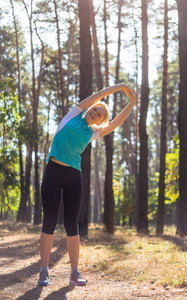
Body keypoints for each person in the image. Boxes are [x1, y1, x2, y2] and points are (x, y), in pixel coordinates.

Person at [38, 83, 135, 287]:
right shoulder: (73, 115)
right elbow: (99, 94)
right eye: (95, 108)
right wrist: (120, 87)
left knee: (71, 225)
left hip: (73, 176)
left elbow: (116, 122)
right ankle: (43, 271)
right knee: (49, 222)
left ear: (100, 121)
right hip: (53, 172)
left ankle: (74, 273)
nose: (95, 111)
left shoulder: (93, 133)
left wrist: (132, 102)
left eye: (99, 113)